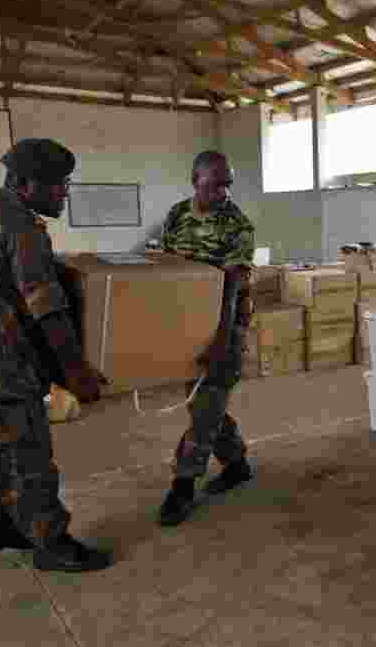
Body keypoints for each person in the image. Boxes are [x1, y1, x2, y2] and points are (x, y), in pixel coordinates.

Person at [0, 138, 112, 572]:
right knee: (29, 455)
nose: (63, 192)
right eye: (56, 184)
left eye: (66, 182)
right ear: (22, 182)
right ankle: (51, 543)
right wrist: (76, 371)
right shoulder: (21, 226)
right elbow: (47, 306)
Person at [157, 150, 257, 526]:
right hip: (188, 321)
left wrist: (220, 339)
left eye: (227, 185)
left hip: (225, 325)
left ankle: (183, 486)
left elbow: (232, 286)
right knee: (204, 405)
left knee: (204, 410)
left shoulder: (237, 225)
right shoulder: (177, 215)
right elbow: (167, 268)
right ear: (195, 180)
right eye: (215, 185)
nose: (223, 193)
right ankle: (237, 463)